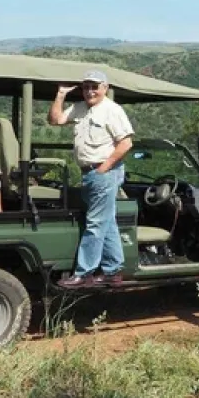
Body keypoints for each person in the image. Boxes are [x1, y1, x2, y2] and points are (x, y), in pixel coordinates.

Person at [47, 69, 134, 287]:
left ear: (105, 88)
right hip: (90, 173)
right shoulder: (79, 108)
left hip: (103, 173)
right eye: (86, 87)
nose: (90, 91)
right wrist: (60, 94)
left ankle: (84, 273)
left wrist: (104, 168)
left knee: (95, 223)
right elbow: (55, 120)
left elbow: (126, 143)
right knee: (107, 222)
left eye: (95, 86)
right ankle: (113, 271)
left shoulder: (112, 111)